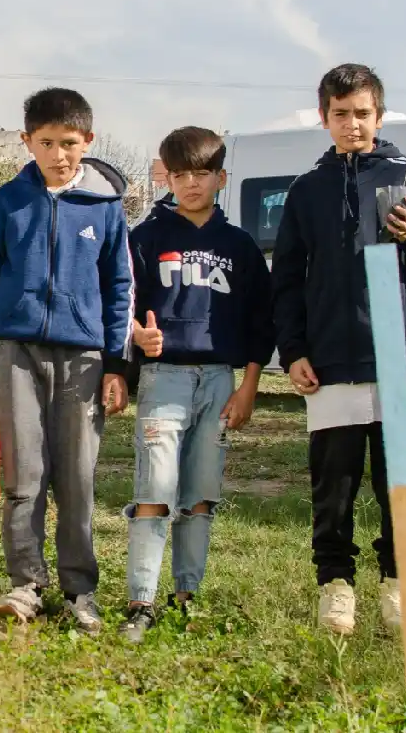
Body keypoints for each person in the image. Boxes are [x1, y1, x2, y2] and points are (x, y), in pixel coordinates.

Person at [272, 63, 406, 635]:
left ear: (379, 115)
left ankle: (398, 584)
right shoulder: (305, 190)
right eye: (340, 114)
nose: (352, 125)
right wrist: (294, 348)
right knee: (334, 485)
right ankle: (336, 585)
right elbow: (288, 281)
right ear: (324, 117)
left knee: (399, 482)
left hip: (401, 362)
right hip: (330, 364)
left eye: (362, 114)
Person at [0, 87, 132, 632]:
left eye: (70, 142)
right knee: (23, 474)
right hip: (11, 352)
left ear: (89, 140)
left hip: (84, 358)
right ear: (27, 140)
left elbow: (121, 288)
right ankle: (26, 584)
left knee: (77, 477)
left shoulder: (106, 207)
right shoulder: (6, 202)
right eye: (47, 142)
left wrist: (116, 365)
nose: (59, 154)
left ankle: (79, 589)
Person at [118, 126, 274, 643]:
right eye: (179, 174)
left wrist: (248, 385)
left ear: (220, 178)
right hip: (164, 380)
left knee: (201, 494)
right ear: (166, 175)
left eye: (201, 174)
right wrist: (138, 337)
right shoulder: (145, 236)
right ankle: (140, 602)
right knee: (156, 491)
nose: (190, 184)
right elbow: (121, 304)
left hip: (220, 381)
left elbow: (260, 322)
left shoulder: (241, 246)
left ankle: (185, 596)